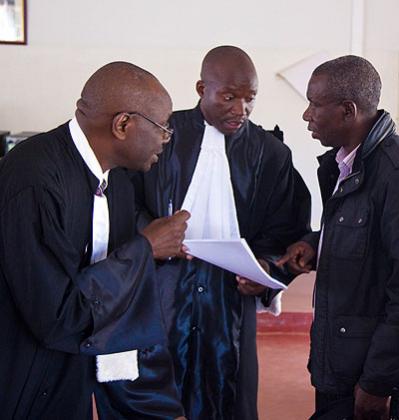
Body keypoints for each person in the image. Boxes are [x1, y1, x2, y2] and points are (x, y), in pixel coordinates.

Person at [0, 62, 190, 419]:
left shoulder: (116, 181)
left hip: (76, 374)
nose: (166, 140)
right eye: (163, 128)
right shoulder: (33, 177)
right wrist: (144, 249)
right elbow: (55, 315)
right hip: (23, 374)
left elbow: (114, 299)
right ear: (123, 124)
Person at [133, 46, 311, 419]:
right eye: (229, 97)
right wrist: (149, 239)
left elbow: (286, 227)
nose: (240, 109)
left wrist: (265, 270)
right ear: (202, 88)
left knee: (229, 393)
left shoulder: (270, 153)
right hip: (165, 289)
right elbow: (130, 204)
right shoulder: (161, 135)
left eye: (250, 99)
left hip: (230, 295)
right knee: (161, 387)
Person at [277, 55, 399, 420]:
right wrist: (318, 244)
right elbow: (363, 235)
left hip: (369, 375)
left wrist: (378, 382)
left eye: (315, 104)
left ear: (348, 111)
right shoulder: (344, 164)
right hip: (340, 361)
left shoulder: (392, 175)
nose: (306, 115)